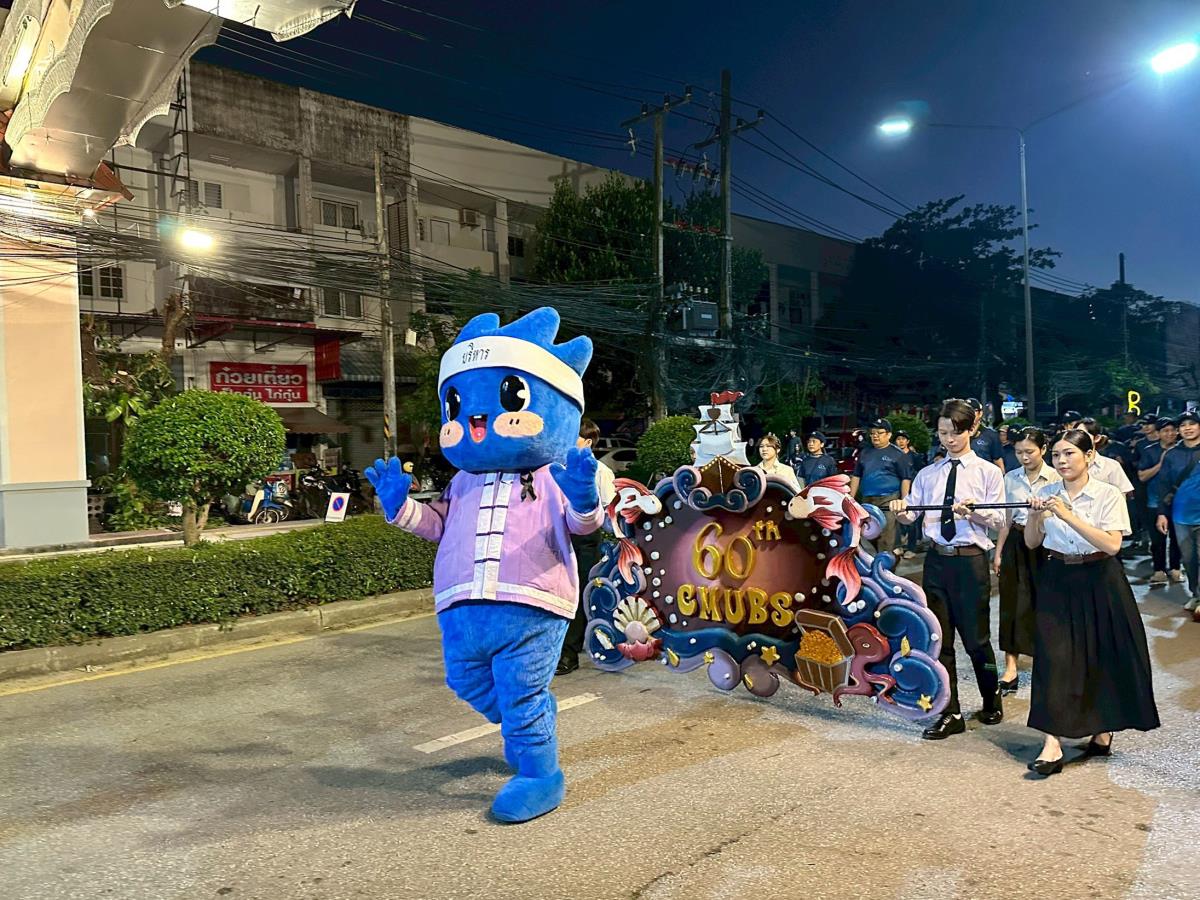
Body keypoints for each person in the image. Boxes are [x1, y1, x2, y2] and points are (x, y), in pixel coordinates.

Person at [1023, 429, 1159, 776]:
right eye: (1056, 455)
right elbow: (1032, 542)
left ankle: (1102, 729)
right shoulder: (1046, 493)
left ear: (1089, 456)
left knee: (1102, 655)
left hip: (1100, 577)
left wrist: (1068, 515)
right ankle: (1051, 743)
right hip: (1057, 577)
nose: (1061, 461)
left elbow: (1112, 545)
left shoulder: (1107, 494)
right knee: (1053, 657)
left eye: (1069, 453)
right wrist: (1036, 516)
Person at [890, 399, 1005, 740]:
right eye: (943, 433)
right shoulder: (929, 474)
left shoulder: (988, 472)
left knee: (977, 640)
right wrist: (900, 510)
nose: (949, 440)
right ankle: (950, 711)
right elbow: (911, 514)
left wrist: (974, 512)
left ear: (972, 429)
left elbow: (999, 520)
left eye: (955, 432)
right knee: (940, 640)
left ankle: (991, 697)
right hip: (937, 561)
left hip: (971, 562)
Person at [992, 428, 1059, 695]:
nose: (1024, 457)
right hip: (1016, 542)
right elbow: (1006, 520)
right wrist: (998, 552)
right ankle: (1010, 667)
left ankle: (1047, 660)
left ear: (1043, 449)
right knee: (1011, 602)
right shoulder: (1011, 478)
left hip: (1048, 544)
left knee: (1045, 602)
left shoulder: (1056, 477)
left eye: (1029, 451)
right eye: (1019, 452)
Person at [558, 418, 619, 675]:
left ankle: (569, 653)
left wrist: (622, 538)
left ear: (588, 442)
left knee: (580, 592)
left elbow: (609, 509)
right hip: (558, 536)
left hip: (585, 540)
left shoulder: (601, 472)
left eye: (573, 437)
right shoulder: (556, 468)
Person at [1156, 410, 1200, 610]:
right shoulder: (1172, 455)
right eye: (1183, 425)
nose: (1187, 428)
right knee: (1189, 560)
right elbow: (1164, 485)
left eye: (1192, 424)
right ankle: (1195, 594)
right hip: (1180, 516)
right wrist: (1161, 513)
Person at [850, 417, 912, 557]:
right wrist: (851, 498)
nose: (875, 436)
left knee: (886, 534)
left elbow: (905, 479)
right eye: (872, 433)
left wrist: (904, 500)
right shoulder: (865, 452)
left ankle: (885, 564)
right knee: (867, 533)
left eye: (879, 432)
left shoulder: (898, 454)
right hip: (867, 500)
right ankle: (871, 562)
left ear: (889, 435)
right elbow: (856, 476)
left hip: (889, 499)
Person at [1138, 417, 1182, 586]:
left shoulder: (1183, 450)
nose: (1170, 434)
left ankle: (1176, 568)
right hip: (1154, 501)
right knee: (1157, 539)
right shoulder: (1150, 451)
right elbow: (1142, 476)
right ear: (1158, 433)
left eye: (1173, 430)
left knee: (1178, 538)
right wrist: (1161, 463)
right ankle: (1159, 570)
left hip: (1179, 502)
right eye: (1165, 431)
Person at [1079, 418, 1135, 497]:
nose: (1077, 438)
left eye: (1083, 434)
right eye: (1074, 434)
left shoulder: (1111, 466)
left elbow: (1122, 495)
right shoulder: (1065, 464)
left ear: (1097, 438)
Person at [895, 430, 926, 559]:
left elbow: (922, 472)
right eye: (898, 439)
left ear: (907, 441)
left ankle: (911, 547)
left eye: (903, 439)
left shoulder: (914, 456)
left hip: (912, 492)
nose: (901, 441)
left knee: (911, 519)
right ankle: (899, 544)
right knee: (896, 518)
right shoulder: (894, 455)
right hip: (896, 490)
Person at [965, 398, 1005, 472]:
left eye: (973, 410)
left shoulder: (991, 435)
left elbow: (998, 462)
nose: (969, 414)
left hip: (985, 476)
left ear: (980, 413)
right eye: (966, 411)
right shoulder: (957, 434)